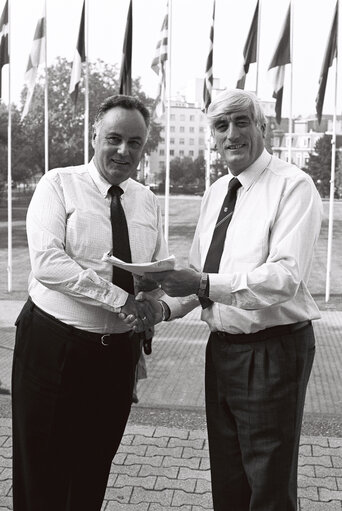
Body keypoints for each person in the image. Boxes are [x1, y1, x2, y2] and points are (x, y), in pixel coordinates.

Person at [127, 89, 323, 511]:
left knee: (267, 483)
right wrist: (160, 309)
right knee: (229, 477)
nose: (231, 134)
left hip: (274, 349)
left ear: (262, 128)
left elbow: (282, 279)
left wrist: (198, 285)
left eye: (241, 122)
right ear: (211, 137)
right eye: (221, 126)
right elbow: (201, 276)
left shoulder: (293, 186)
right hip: (223, 351)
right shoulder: (217, 191)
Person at [11, 94, 167, 511]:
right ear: (94, 136)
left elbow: (152, 271)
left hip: (115, 358)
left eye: (135, 142)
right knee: (42, 474)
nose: (123, 150)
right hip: (53, 348)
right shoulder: (58, 183)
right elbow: (48, 263)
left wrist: (149, 306)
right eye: (114, 138)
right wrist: (120, 300)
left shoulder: (147, 200)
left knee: (92, 470)